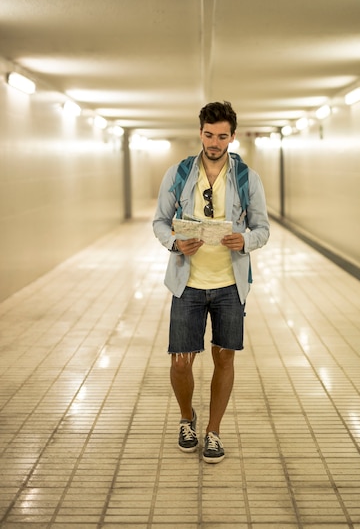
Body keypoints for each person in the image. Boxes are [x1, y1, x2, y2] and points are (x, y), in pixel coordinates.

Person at [152, 101, 270, 463]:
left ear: (232, 136)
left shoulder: (247, 177)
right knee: (180, 363)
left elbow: (262, 228)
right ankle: (187, 418)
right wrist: (175, 242)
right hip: (188, 284)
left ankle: (213, 432)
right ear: (200, 132)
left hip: (229, 286)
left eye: (222, 136)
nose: (215, 142)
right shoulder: (179, 173)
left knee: (224, 358)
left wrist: (245, 240)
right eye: (208, 135)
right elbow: (159, 221)